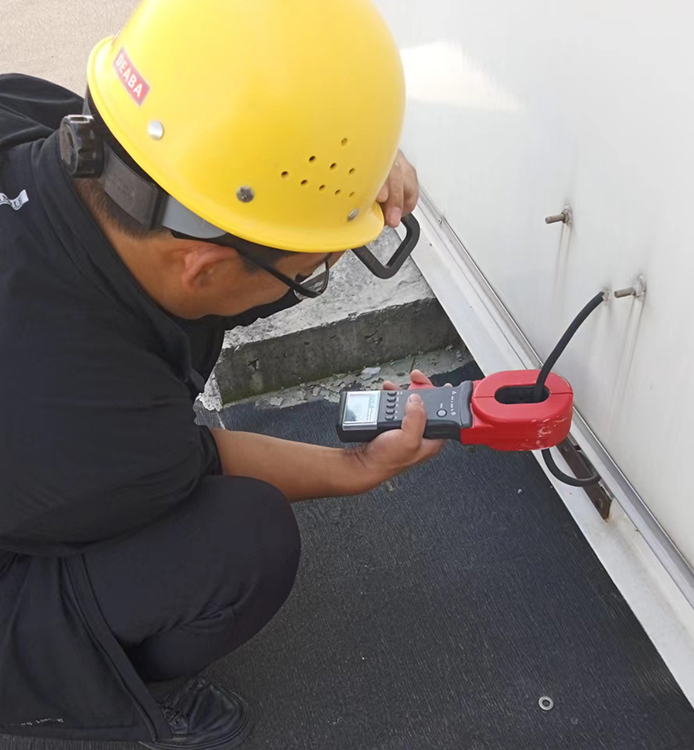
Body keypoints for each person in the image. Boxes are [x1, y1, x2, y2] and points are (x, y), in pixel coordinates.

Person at [0, 1, 444, 748]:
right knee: (244, 546)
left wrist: (342, 184)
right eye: (310, 275)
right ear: (201, 266)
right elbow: (196, 462)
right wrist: (354, 466)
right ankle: (59, 707)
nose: (316, 275)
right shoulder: (90, 431)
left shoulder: (33, 115)